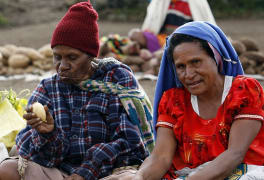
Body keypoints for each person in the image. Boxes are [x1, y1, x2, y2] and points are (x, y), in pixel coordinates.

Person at [0, 1, 154, 180]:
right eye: (57, 57)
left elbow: (131, 143)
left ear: (91, 57)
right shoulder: (48, 88)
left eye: (72, 57)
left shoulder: (116, 81)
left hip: (108, 172)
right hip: (60, 172)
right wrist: (47, 134)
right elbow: (31, 153)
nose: (62, 66)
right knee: (7, 169)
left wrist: (86, 171)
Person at [128, 21, 264, 179]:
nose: (188, 74)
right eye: (181, 66)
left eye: (196, 62)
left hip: (251, 173)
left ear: (216, 57)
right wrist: (140, 177)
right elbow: (160, 157)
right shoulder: (173, 101)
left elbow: (235, 154)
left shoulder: (243, 91)